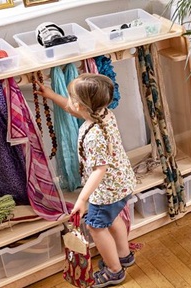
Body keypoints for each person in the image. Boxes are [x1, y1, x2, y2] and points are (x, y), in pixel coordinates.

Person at [36, 74, 136, 287]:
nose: (70, 102)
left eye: (71, 97)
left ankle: (114, 271)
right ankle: (124, 255)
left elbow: (99, 170)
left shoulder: (94, 135)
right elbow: (73, 109)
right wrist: (51, 95)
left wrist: (82, 200)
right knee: (113, 217)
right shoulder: (104, 114)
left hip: (107, 189)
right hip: (122, 183)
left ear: (81, 105)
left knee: (96, 226)